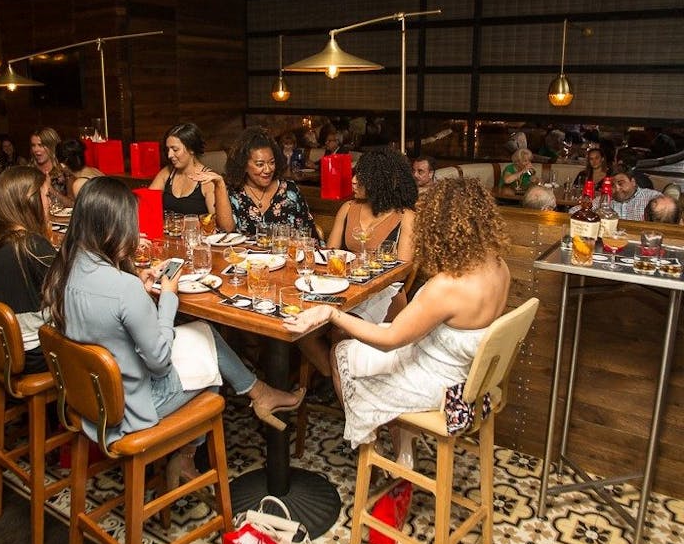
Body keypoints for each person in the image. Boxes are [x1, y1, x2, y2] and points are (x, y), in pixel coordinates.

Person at [41, 177, 305, 481]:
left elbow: (104, 315)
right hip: (129, 410)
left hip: (88, 399)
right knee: (210, 365)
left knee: (203, 335)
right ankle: (190, 454)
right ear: (112, 228)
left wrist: (137, 280)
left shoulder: (64, 270)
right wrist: (167, 299)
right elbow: (160, 361)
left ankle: (256, 394)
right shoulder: (123, 289)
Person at [283, 177, 511, 468]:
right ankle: (404, 452)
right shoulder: (498, 265)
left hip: (441, 386)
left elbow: (391, 342)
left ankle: (372, 452)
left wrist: (332, 314)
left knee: (342, 352)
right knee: (371, 341)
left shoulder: (447, 286)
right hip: (468, 376)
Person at [301, 147, 418, 402]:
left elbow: (401, 270)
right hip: (345, 289)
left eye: (362, 177)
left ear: (380, 180)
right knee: (301, 330)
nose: (353, 181)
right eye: (355, 174)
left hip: (385, 295)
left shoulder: (405, 217)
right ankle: (336, 379)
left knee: (341, 334)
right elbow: (330, 254)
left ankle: (352, 403)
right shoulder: (348, 209)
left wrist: (358, 270)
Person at [0, 167, 55, 374]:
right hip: (33, 353)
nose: (50, 202)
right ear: (30, 200)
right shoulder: (31, 246)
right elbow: (69, 297)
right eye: (46, 196)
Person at [217, 127, 317, 237]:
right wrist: (220, 185)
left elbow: (309, 236)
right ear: (244, 165)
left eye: (271, 162)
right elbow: (226, 233)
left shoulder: (290, 191)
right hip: (244, 254)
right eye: (260, 164)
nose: (268, 170)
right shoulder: (234, 193)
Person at [147, 122, 223, 219]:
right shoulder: (167, 172)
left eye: (175, 150)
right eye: (168, 149)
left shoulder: (208, 180)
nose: (169, 155)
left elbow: (216, 222)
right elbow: (147, 203)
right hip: (167, 233)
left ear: (191, 149)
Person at [30, 127, 71, 208]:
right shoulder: (29, 171)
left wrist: (51, 190)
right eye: (33, 145)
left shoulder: (65, 171)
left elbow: (73, 205)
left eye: (41, 145)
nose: (36, 150)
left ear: (52, 146)